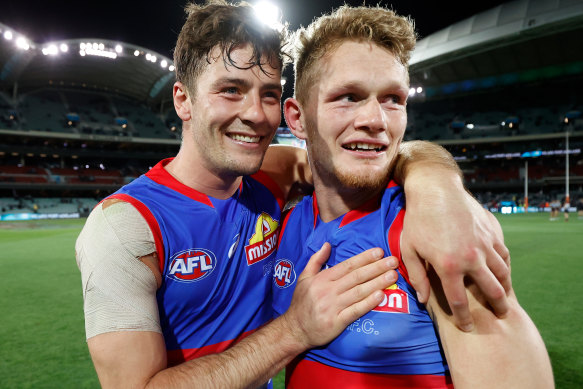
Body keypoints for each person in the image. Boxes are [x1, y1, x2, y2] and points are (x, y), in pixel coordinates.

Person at [76, 1, 513, 387]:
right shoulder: (124, 227)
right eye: (231, 89)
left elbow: (359, 156)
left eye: (269, 94)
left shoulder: (268, 178)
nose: (255, 114)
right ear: (183, 99)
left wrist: (437, 186)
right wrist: (294, 330)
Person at [273, 5, 553, 388]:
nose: (376, 120)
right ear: (296, 118)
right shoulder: (279, 216)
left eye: (393, 99)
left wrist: (437, 184)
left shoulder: (429, 236)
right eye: (348, 97)